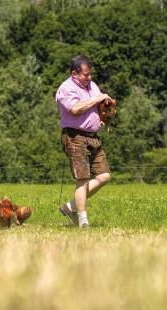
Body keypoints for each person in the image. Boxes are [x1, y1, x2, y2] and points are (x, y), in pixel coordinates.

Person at [55, 55, 112, 228]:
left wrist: (100, 117)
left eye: (90, 74)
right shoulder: (66, 88)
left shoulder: (92, 85)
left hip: (93, 137)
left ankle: (70, 206)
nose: (90, 78)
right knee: (82, 178)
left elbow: (96, 106)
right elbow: (76, 108)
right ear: (74, 73)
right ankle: (83, 221)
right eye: (86, 75)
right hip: (75, 137)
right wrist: (98, 98)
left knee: (104, 176)